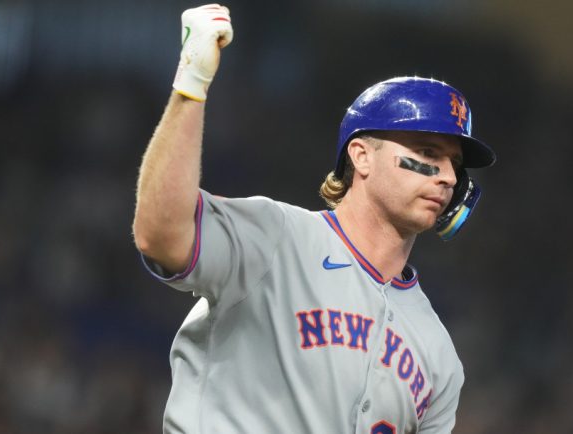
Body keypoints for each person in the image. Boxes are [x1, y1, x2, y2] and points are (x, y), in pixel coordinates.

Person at [132, 4, 496, 433]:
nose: (449, 177)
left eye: (455, 164)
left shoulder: (437, 354)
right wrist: (191, 86)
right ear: (361, 155)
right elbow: (160, 236)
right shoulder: (276, 237)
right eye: (428, 153)